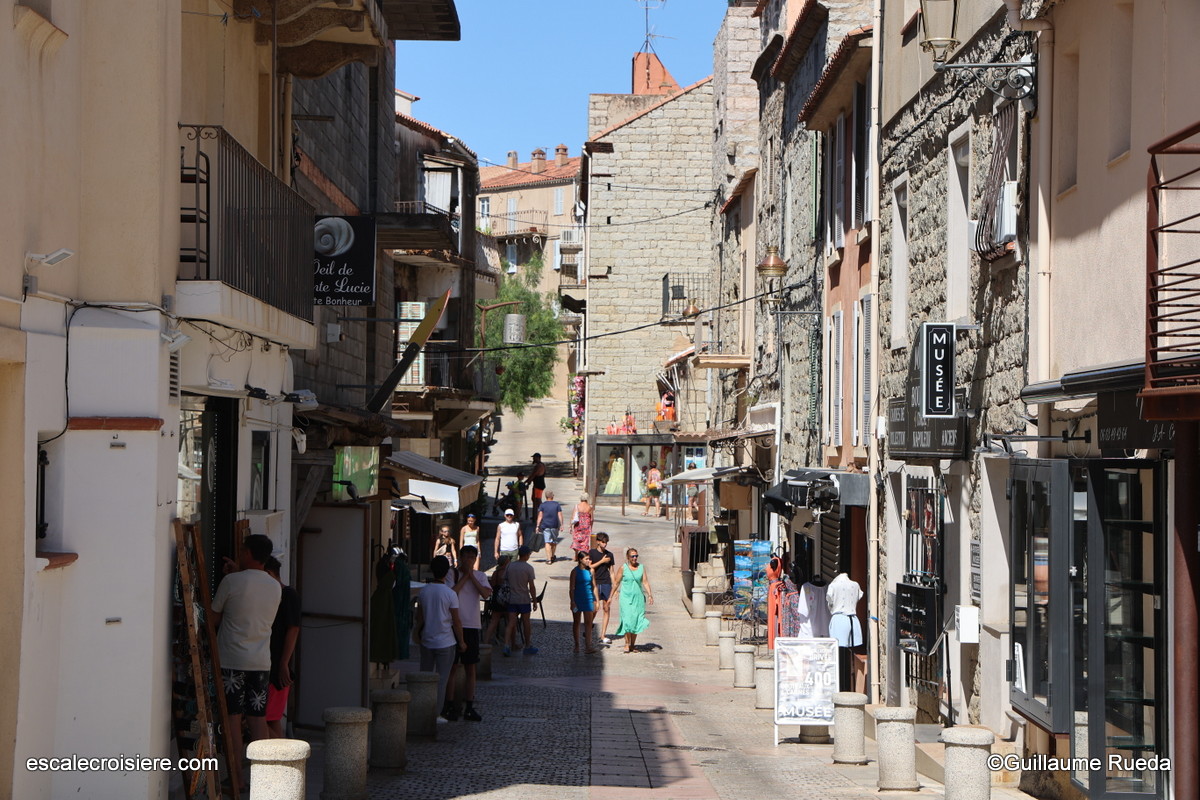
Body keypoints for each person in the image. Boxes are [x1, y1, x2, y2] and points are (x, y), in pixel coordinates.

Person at [210, 534, 281, 788]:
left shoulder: (231, 582)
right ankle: (263, 780)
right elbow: (253, 590)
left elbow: (213, 619)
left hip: (232, 660)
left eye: (242, 550)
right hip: (261, 661)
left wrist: (233, 575)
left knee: (232, 719)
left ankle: (237, 780)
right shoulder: (274, 586)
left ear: (248, 553)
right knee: (257, 720)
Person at [415, 556, 466, 721]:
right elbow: (456, 621)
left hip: (427, 639)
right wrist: (462, 641)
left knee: (425, 677)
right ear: (447, 572)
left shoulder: (424, 591)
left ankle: (422, 710)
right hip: (446, 640)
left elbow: (419, 617)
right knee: (441, 680)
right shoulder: (450, 594)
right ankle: (436, 713)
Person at [445, 545, 491, 721]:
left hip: (472, 625)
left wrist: (472, 575)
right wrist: (465, 576)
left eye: (472, 557)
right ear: (461, 558)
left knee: (471, 667)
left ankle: (469, 705)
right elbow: (452, 593)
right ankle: (449, 704)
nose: (469, 560)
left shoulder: (480, 575)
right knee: (453, 666)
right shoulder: (452, 574)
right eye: (466, 557)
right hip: (454, 624)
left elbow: (486, 594)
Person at [263, 557, 300, 738]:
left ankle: (282, 756)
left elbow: (293, 629)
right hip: (270, 664)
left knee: (263, 717)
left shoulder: (288, 595)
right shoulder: (271, 595)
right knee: (271, 718)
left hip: (277, 667)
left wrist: (284, 663)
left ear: (269, 574)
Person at [612, 547, 653, 653]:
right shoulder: (623, 568)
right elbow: (616, 582)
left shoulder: (641, 567)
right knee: (626, 620)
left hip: (638, 598)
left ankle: (632, 645)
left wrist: (649, 595)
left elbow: (645, 582)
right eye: (632, 556)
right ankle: (626, 643)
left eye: (636, 556)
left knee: (636, 620)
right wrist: (612, 594)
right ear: (628, 557)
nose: (635, 558)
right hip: (626, 598)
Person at [502, 546, 539, 656]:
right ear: (527, 555)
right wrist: (535, 601)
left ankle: (506, 645)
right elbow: (531, 586)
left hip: (512, 599)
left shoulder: (510, 566)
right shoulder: (528, 568)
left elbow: (504, 579)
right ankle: (527, 646)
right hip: (523, 599)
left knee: (511, 623)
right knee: (526, 622)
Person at [588, 532, 616, 644]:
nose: (605, 544)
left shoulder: (610, 555)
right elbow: (590, 566)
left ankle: (603, 635)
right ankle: (589, 627)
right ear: (598, 542)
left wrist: (615, 586)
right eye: (603, 542)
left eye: (606, 542)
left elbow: (612, 572)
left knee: (606, 608)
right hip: (595, 582)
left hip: (606, 583)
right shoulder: (592, 553)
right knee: (594, 608)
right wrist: (602, 561)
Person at [569, 551, 598, 653]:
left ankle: (588, 646)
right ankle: (577, 644)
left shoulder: (591, 571)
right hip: (578, 599)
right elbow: (572, 588)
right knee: (576, 622)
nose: (588, 561)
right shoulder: (575, 572)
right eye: (586, 559)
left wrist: (596, 600)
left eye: (589, 559)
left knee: (588, 623)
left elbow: (594, 586)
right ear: (580, 560)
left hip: (589, 599)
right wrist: (572, 601)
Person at [482, 554, 511, 646]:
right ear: (506, 562)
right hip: (507, 599)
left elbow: (492, 586)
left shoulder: (496, 573)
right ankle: (509, 642)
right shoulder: (509, 572)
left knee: (494, 621)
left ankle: (486, 640)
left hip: (496, 598)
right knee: (511, 621)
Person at [536, 490, 564, 564]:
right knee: (554, 542)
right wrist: (561, 525)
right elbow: (560, 515)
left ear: (546, 497)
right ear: (552, 496)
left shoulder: (542, 505)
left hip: (545, 526)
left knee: (547, 542)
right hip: (554, 526)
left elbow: (540, 516)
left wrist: (537, 525)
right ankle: (552, 555)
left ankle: (548, 559)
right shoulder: (557, 505)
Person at [529, 452, 547, 519]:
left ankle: (542, 514)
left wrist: (528, 482)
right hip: (537, 485)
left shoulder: (539, 466)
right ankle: (535, 515)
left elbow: (533, 475)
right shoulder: (540, 465)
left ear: (538, 458)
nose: (533, 459)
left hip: (539, 485)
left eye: (534, 457)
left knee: (538, 500)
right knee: (534, 499)